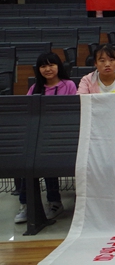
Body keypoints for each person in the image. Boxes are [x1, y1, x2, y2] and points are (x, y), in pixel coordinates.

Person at [15, 52, 77, 224]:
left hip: (61, 136)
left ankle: (55, 202)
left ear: (58, 66)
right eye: (43, 66)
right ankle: (26, 204)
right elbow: (28, 113)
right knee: (28, 160)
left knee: (48, 158)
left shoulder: (69, 85)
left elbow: (72, 111)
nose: (47, 69)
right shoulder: (34, 88)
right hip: (39, 136)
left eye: (51, 65)